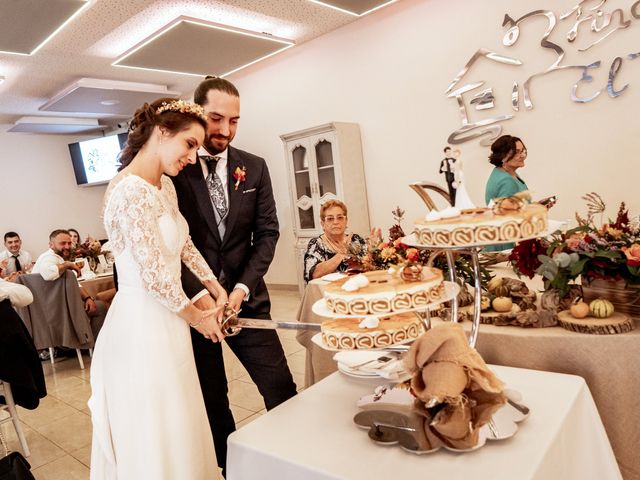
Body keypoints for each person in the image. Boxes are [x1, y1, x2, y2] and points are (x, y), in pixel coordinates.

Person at [88, 98, 227, 479]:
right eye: (190, 144)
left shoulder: (164, 186)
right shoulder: (129, 191)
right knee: (155, 421)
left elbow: (181, 243)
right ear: (162, 132)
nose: (192, 156)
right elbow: (153, 276)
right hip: (141, 327)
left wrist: (214, 285)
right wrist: (200, 319)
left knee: (180, 416)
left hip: (170, 321)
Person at [171, 76, 297, 475]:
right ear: (197, 114)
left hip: (248, 300)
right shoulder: (175, 170)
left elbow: (268, 232)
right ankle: (230, 468)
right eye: (216, 118)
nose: (225, 130)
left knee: (280, 386)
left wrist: (241, 287)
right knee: (213, 397)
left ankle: (292, 459)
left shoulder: (254, 167)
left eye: (235, 121)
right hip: (198, 309)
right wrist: (204, 296)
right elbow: (172, 245)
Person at [32, 229, 107, 339]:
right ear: (51, 245)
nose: (67, 246)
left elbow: (74, 283)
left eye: (69, 243)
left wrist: (87, 298)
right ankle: (93, 344)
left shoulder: (58, 258)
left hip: (58, 305)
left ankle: (84, 340)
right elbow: (48, 274)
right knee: (100, 306)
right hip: (52, 310)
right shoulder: (48, 258)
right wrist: (67, 264)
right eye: (62, 243)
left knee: (94, 304)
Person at [303, 200, 366, 282]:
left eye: (340, 217)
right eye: (330, 219)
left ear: (346, 220)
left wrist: (374, 249)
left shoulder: (356, 240)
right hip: (328, 292)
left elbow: (370, 265)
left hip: (357, 287)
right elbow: (313, 274)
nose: (336, 222)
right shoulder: (316, 244)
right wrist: (341, 253)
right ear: (322, 223)